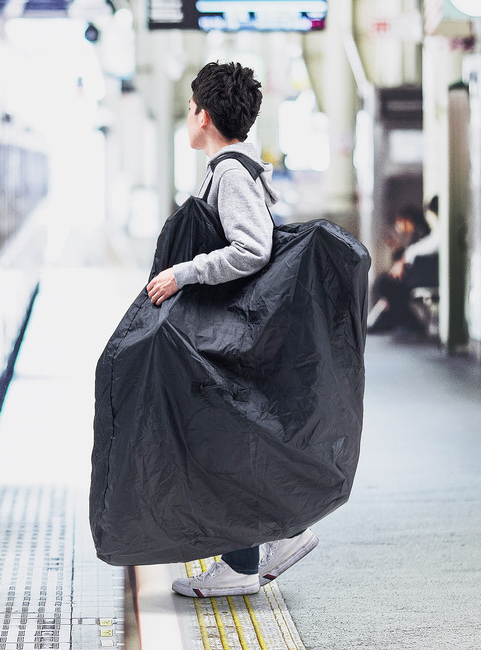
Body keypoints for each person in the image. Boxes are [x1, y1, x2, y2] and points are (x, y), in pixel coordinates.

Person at [145, 61, 319, 598]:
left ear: (205, 115)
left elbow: (252, 248)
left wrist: (183, 273)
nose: (190, 116)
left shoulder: (231, 174)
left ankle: (242, 564)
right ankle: (284, 535)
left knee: (219, 443)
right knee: (238, 439)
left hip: (233, 339)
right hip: (238, 334)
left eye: (193, 106)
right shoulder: (235, 168)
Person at [367, 197, 439, 334]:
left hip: (418, 275)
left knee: (385, 284)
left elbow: (414, 252)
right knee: (388, 288)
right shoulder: (423, 232)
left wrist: (402, 259)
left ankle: (408, 323)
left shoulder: (424, 231)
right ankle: (394, 321)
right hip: (415, 273)